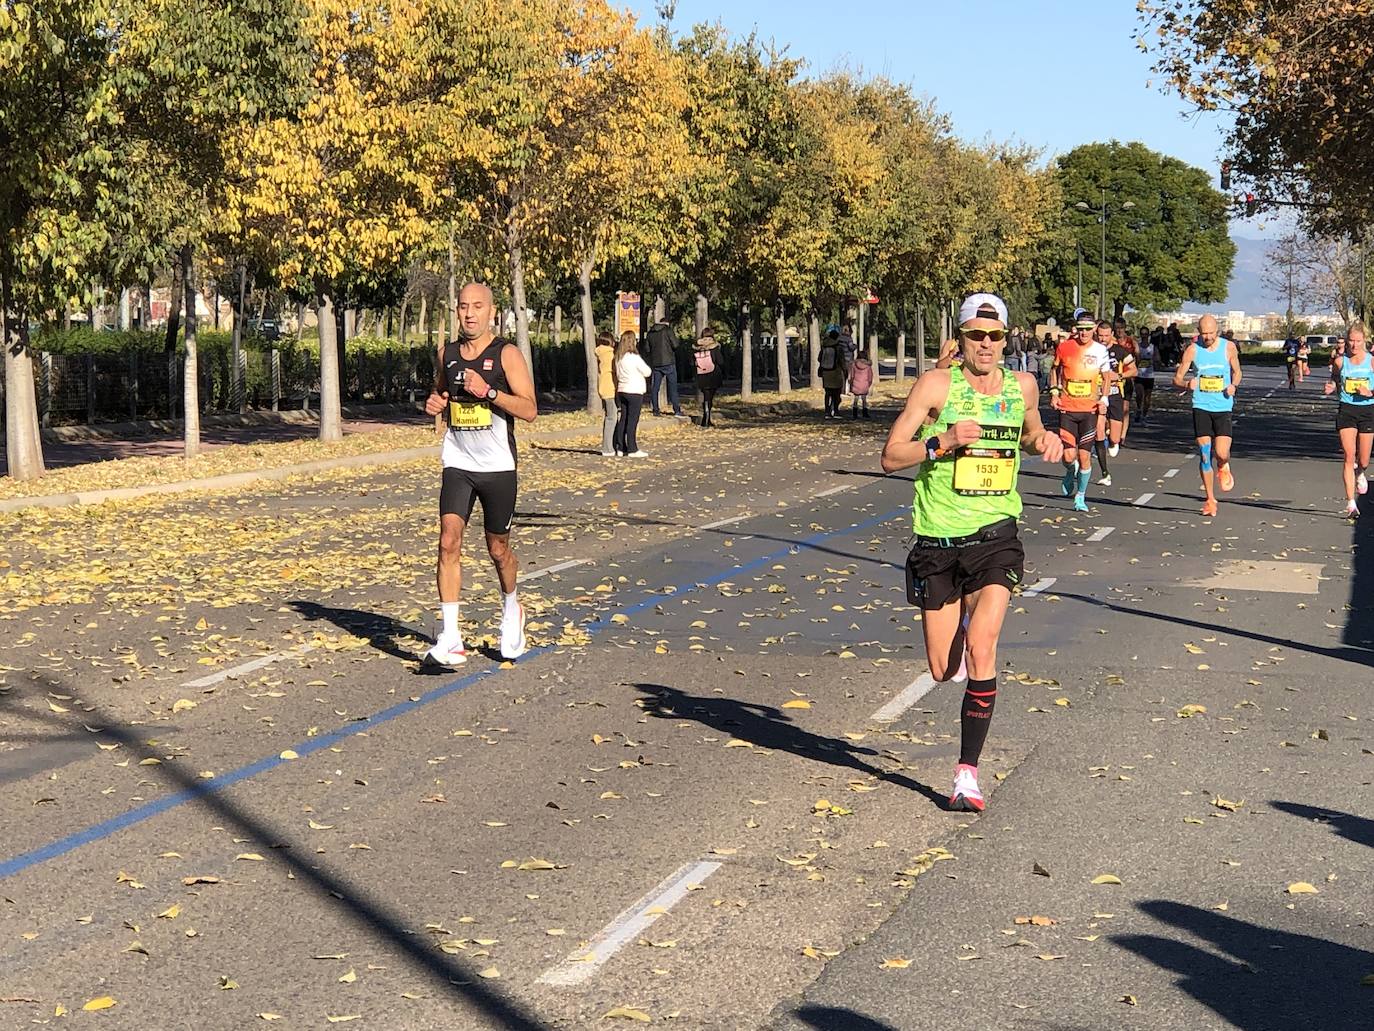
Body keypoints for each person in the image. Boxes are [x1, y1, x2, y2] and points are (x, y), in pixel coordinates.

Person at [881, 293, 1063, 812]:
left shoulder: (1023, 385)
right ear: (960, 339)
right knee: (942, 669)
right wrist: (942, 441)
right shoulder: (937, 385)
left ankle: (967, 775)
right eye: (975, 335)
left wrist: (1045, 442)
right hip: (938, 541)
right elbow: (892, 456)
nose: (986, 344)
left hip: (996, 537)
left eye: (995, 335)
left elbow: (1029, 436)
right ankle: (958, 624)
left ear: (1008, 338)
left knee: (984, 646)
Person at [422, 282, 538, 666]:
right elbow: (440, 395)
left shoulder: (506, 354)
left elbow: (529, 409)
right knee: (448, 541)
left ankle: (511, 610)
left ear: (492, 311)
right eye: (462, 307)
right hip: (458, 462)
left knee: (497, 550)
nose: (469, 313)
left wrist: (489, 393)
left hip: (498, 466)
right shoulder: (448, 354)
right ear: (455, 311)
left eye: (477, 306)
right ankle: (452, 637)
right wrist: (435, 403)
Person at [1173, 313, 1241, 517]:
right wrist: (1186, 384)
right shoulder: (1192, 350)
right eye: (1204, 333)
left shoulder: (1228, 347)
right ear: (1198, 332)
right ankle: (1210, 499)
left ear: (1217, 331)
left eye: (1211, 333)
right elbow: (1176, 378)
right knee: (1204, 453)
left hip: (1222, 407)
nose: (1208, 337)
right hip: (1201, 406)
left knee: (1221, 452)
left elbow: (1238, 372)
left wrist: (1233, 385)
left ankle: (1223, 464)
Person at [1051, 313, 1115, 511]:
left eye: (1088, 329)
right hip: (1068, 408)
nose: (1084, 333)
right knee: (1069, 456)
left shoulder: (1100, 350)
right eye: (1081, 329)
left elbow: (1106, 378)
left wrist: (1104, 399)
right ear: (1076, 329)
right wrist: (1054, 392)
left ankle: (1080, 497)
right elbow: (1054, 370)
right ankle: (1071, 471)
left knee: (1085, 456)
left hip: (1089, 410)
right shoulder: (1065, 347)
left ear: (1094, 329)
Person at [1324, 322, 1374, 519]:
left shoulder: (1371, 362)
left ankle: (1360, 472)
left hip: (1367, 410)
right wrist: (1330, 387)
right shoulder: (1339, 362)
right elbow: (1335, 380)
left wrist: (1369, 392)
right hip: (1346, 410)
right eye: (1351, 341)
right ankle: (1351, 503)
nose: (1354, 345)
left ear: (1365, 341)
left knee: (1362, 458)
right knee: (1349, 455)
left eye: (1358, 341)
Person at [613, 330, 651, 457]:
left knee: (623, 418)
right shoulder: (634, 357)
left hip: (622, 389)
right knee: (632, 421)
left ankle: (620, 447)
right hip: (634, 390)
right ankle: (632, 448)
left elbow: (618, 375)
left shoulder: (618, 358)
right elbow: (647, 371)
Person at [645, 317, 684, 418]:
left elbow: (647, 349)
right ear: (666, 323)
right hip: (668, 362)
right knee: (672, 387)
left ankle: (655, 410)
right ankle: (676, 410)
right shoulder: (667, 330)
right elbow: (675, 344)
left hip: (656, 363)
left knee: (655, 388)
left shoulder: (650, 333)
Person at [693, 332, 723, 428]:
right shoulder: (714, 348)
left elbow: (691, 362)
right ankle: (706, 418)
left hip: (701, 375)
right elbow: (720, 361)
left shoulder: (697, 349)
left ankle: (706, 419)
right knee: (710, 398)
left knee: (706, 396)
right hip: (713, 375)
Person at [595, 332, 617, 456]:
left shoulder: (599, 352)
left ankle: (608, 446)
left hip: (603, 386)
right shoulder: (610, 354)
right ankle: (607, 447)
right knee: (611, 418)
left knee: (609, 416)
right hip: (610, 387)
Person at [819, 328, 848, 418]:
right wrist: (845, 371)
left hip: (826, 372)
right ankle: (835, 411)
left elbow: (819, 358)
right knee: (836, 393)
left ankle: (827, 411)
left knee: (828, 393)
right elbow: (842, 360)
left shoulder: (824, 346)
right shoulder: (838, 348)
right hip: (836, 372)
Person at [1135, 328, 1158, 423]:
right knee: (1139, 394)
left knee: (1147, 397)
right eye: (1142, 334)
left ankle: (1144, 414)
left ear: (1148, 335)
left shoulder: (1152, 347)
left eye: (1145, 334)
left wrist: (1154, 360)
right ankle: (1138, 410)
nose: (1144, 336)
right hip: (1139, 374)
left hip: (1149, 375)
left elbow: (1157, 358)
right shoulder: (1137, 347)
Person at [849, 353, 874, 418]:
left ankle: (855, 413)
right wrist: (869, 383)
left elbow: (852, 375)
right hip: (864, 384)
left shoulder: (854, 365)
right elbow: (870, 376)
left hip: (856, 383)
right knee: (864, 399)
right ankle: (865, 413)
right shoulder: (868, 366)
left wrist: (851, 383)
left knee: (856, 398)